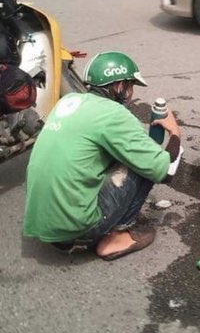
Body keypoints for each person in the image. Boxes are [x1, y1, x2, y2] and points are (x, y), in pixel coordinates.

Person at [23, 52, 182, 260]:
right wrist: (175, 132)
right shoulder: (113, 113)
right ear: (119, 86)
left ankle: (72, 228)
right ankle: (116, 236)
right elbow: (166, 170)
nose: (131, 93)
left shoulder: (68, 101)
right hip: (76, 227)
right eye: (130, 86)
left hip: (41, 221)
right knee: (144, 162)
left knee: (119, 154)